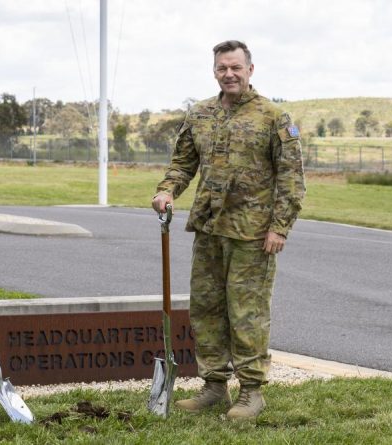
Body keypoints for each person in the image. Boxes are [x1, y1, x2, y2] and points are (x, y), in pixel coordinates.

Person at [151, 40, 305, 421]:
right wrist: (167, 190)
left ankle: (251, 392)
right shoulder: (200, 114)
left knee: (247, 312)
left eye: (236, 67)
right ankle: (214, 385)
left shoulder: (273, 117)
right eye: (222, 68)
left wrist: (279, 228)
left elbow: (291, 179)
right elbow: (183, 162)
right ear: (214, 71)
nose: (229, 74)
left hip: (253, 235)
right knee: (207, 308)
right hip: (209, 229)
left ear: (250, 70)